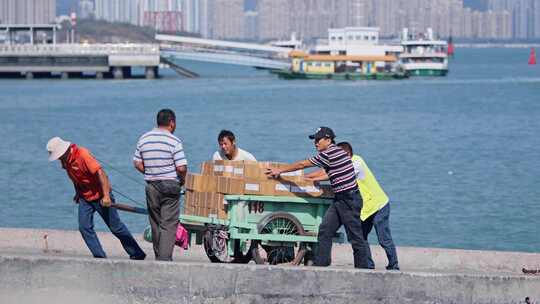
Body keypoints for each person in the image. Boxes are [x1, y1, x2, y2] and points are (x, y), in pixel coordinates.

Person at [266, 127, 370, 269]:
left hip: (349, 200)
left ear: (328, 140)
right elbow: (327, 173)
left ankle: (362, 270)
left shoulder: (330, 153)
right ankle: (321, 265)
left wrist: (280, 170)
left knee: (355, 237)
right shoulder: (336, 153)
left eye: (318, 140)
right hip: (339, 199)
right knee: (325, 230)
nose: (315, 143)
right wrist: (306, 178)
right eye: (314, 140)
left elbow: (304, 164)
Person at [46, 137, 146, 260]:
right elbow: (75, 176)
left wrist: (106, 196)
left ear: (65, 151)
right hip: (85, 197)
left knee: (116, 227)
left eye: (59, 156)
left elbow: (101, 173)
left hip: (101, 195)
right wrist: (77, 193)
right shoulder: (65, 161)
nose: (59, 159)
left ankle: (137, 253)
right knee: (84, 227)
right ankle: (99, 256)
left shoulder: (82, 154)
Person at [306, 142, 399, 270]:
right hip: (365, 208)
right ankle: (368, 265)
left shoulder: (356, 162)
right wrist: (305, 177)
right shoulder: (342, 164)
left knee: (384, 239)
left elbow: (330, 175)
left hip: (378, 206)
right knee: (361, 238)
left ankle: (393, 265)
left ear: (347, 154)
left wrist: (311, 180)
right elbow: (323, 170)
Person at [133, 109, 188, 261]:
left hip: (151, 185)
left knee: (156, 222)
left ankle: (159, 256)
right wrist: (182, 180)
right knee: (169, 224)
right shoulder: (174, 141)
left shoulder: (144, 138)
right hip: (170, 184)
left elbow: (137, 162)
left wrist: (150, 172)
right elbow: (182, 167)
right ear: (172, 123)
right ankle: (164, 260)